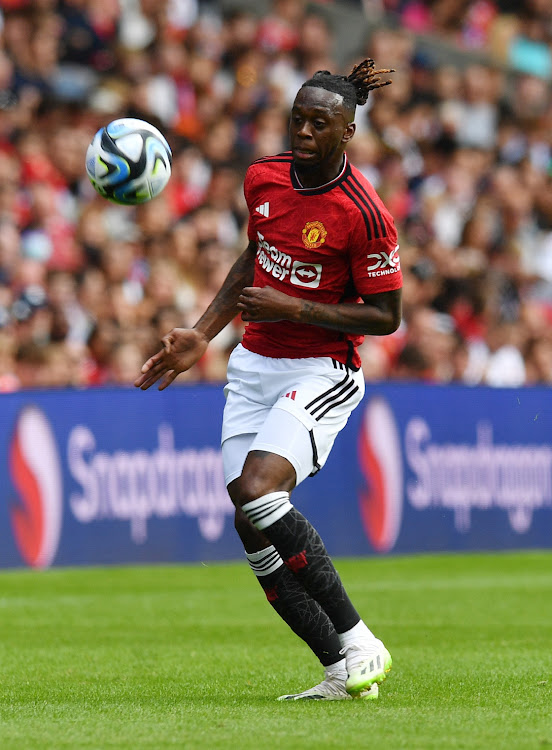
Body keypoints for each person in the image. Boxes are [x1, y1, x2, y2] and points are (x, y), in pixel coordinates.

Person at [135, 59, 402, 701]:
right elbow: (254, 257)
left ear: (348, 133)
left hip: (322, 369)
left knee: (260, 488)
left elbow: (387, 316)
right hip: (253, 366)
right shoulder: (263, 177)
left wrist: (298, 309)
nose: (304, 132)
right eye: (298, 119)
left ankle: (361, 640)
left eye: (320, 123)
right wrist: (205, 331)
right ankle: (340, 672)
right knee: (250, 523)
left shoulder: (364, 214)